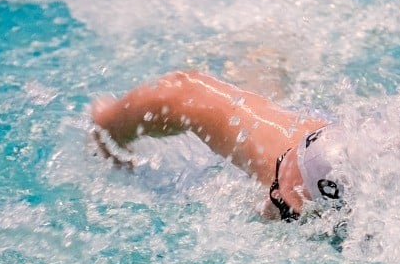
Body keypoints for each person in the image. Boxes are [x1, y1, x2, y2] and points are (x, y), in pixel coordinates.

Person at [90, 70, 348, 221]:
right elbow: (183, 92)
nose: (272, 199)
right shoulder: (293, 146)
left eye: (282, 203)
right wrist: (110, 129)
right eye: (279, 169)